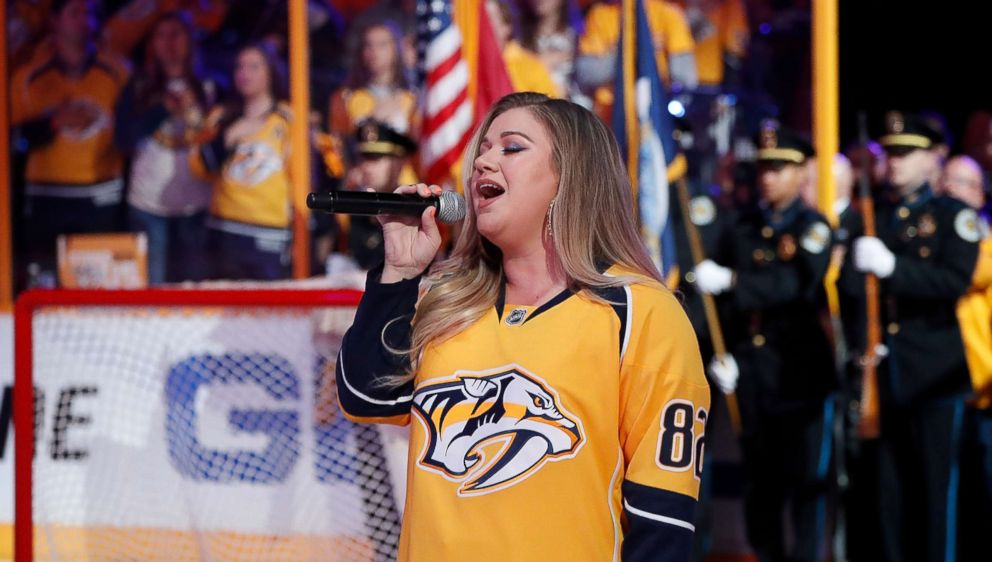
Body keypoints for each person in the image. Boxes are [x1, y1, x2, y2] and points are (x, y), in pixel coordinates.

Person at [334, 92, 710, 561]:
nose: (484, 162)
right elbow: (366, 399)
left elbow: (663, 518)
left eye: (511, 148)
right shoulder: (446, 301)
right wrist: (399, 274)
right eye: (483, 150)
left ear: (569, 178)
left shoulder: (640, 312)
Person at [839, 112, 980, 562]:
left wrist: (893, 269)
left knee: (936, 495)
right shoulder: (870, 213)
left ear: (931, 160)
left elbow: (953, 281)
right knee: (885, 495)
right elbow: (850, 294)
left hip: (934, 373)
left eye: (906, 153)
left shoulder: (953, 216)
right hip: (881, 373)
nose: (895, 162)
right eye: (891, 152)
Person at [694, 121, 836, 562]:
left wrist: (733, 280)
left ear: (800, 173)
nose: (768, 176)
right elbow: (724, 303)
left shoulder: (813, 227)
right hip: (752, 375)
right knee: (761, 487)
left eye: (778, 167)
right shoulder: (742, 225)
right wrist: (727, 353)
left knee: (805, 486)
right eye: (763, 168)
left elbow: (793, 283)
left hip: (798, 377)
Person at [10, 0, 131, 289]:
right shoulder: (27, 78)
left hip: (100, 195)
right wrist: (53, 123)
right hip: (47, 196)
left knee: (97, 288)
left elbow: (131, 136)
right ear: (54, 21)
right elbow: (14, 142)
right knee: (45, 285)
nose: (85, 21)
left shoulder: (119, 71)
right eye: (75, 12)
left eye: (89, 13)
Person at [114, 11, 216, 284]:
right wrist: (162, 110)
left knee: (193, 294)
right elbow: (123, 140)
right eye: (161, 35)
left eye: (176, 34)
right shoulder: (138, 85)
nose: (169, 42)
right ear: (152, 44)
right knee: (152, 294)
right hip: (147, 203)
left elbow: (220, 146)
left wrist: (195, 113)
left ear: (190, 40)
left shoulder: (211, 87)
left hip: (196, 205)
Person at [190, 43, 295, 280]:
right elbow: (198, 167)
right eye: (240, 66)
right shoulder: (222, 115)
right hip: (224, 228)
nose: (244, 73)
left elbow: (301, 177)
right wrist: (228, 136)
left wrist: (299, 232)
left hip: (269, 231)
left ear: (270, 72)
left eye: (254, 66)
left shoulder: (288, 118)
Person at [334, 119, 419, 272]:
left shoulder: (416, 213)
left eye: (376, 158)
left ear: (399, 162)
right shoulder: (353, 211)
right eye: (363, 157)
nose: (366, 167)